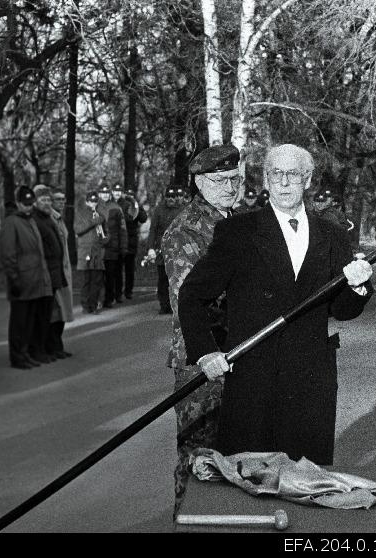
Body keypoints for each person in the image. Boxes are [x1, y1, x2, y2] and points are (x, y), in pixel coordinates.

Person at [178, 144, 374, 467]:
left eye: (293, 175)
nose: (284, 183)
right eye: (276, 174)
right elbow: (192, 295)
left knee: (306, 492)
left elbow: (343, 309)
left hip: (311, 383)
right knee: (250, 488)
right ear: (265, 181)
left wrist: (357, 286)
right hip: (255, 383)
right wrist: (206, 351)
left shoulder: (334, 235)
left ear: (307, 180)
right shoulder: (238, 232)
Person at [161, 143, 242, 514]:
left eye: (235, 178)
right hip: (202, 357)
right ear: (197, 182)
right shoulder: (186, 230)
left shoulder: (236, 221)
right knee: (197, 456)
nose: (230, 187)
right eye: (220, 180)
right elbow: (188, 301)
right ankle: (188, 519)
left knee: (234, 453)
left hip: (238, 351)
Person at [0, 186, 52, 369]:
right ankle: (17, 357)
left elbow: (38, 252)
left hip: (34, 281)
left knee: (29, 322)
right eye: (25, 204)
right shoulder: (11, 222)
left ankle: (25, 353)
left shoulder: (30, 221)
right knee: (19, 323)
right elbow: (8, 254)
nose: (29, 207)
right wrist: (13, 279)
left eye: (31, 204)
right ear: (18, 203)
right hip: (21, 281)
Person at [31, 184, 67, 363]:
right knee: (44, 315)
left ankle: (52, 347)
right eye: (42, 200)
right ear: (35, 202)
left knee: (52, 313)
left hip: (54, 273)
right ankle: (43, 349)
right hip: (45, 275)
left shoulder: (47, 218)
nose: (46, 202)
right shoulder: (36, 220)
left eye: (47, 199)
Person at [146, 186, 184, 314]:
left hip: (177, 250)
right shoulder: (158, 211)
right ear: (165, 197)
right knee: (163, 279)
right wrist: (150, 248)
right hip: (162, 251)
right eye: (168, 196)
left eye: (173, 197)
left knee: (176, 279)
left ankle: (176, 305)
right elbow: (152, 230)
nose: (171, 199)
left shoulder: (182, 210)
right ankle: (164, 305)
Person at [47, 187, 73, 358]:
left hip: (65, 270)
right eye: (58, 200)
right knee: (56, 310)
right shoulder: (50, 219)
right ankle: (53, 347)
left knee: (62, 310)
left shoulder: (59, 219)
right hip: (56, 271)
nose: (62, 202)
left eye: (63, 199)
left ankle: (57, 346)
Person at [74, 191, 107, 314]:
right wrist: (94, 222)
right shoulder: (80, 214)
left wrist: (105, 239)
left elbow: (105, 232)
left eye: (95, 201)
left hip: (97, 251)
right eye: (91, 201)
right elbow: (78, 230)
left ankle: (93, 305)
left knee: (96, 280)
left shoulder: (100, 215)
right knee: (86, 281)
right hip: (85, 252)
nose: (93, 203)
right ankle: (85, 305)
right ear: (87, 201)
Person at [98, 184, 127, 308]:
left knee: (110, 275)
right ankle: (98, 299)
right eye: (102, 193)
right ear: (99, 194)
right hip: (98, 248)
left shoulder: (116, 208)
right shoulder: (94, 207)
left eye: (106, 193)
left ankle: (109, 299)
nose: (104, 195)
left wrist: (123, 247)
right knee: (98, 276)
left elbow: (122, 229)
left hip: (112, 247)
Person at [118, 186, 148, 299]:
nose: (129, 197)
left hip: (131, 240)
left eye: (131, 195)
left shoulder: (136, 206)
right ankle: (118, 290)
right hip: (121, 240)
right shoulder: (120, 205)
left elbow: (143, 218)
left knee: (129, 268)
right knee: (118, 267)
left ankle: (128, 291)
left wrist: (137, 206)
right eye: (128, 195)